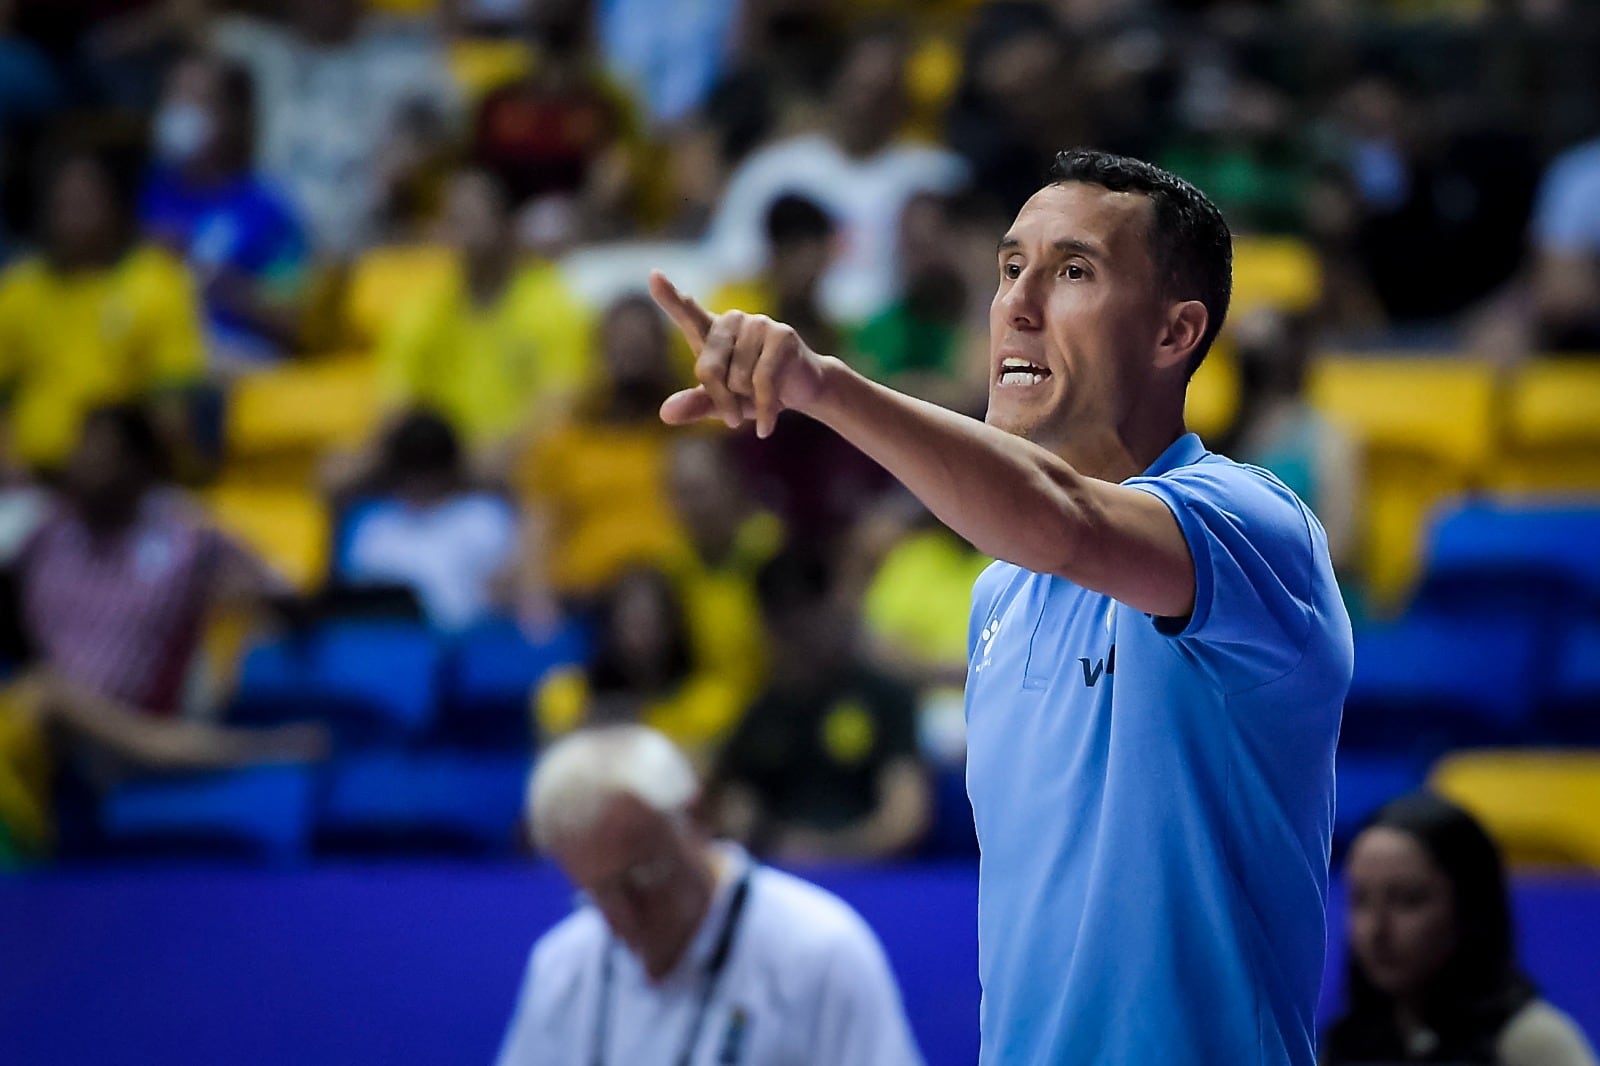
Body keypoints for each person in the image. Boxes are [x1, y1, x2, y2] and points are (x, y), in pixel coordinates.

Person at [649, 148, 1353, 1064]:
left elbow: (1061, 516)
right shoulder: (1000, 594)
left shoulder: (1256, 527)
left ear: (1175, 333)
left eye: (1073, 272)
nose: (1018, 304)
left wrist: (824, 389)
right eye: (1010, 267)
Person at [495, 723, 923, 1066]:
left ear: (696, 816)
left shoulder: (819, 952)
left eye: (642, 877)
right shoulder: (563, 966)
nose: (625, 914)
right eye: (598, 893)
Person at [1325, 791, 1598, 1065]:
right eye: (1360, 900)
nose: (1376, 930)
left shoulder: (1532, 1043)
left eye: (1408, 900)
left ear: (1469, 908)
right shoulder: (1342, 1044)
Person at [714, 549, 930, 863]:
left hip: (875, 876)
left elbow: (906, 819)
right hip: (785, 875)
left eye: (807, 606)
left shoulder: (886, 698)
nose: (796, 626)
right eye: (780, 612)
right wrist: (754, 834)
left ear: (834, 605)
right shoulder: (760, 715)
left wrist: (822, 851)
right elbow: (734, 814)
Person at [0, 147, 204, 475]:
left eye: (84, 202)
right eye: (62, 203)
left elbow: (172, 410)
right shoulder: (16, 290)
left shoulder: (157, 283)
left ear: (116, 208)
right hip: (28, 484)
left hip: (127, 485)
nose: (71, 216)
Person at [140, 51, 309, 367]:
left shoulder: (269, 211)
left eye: (197, 101)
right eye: (174, 98)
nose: (181, 112)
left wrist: (223, 285)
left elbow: (293, 320)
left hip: (229, 356)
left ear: (232, 117)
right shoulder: (142, 195)